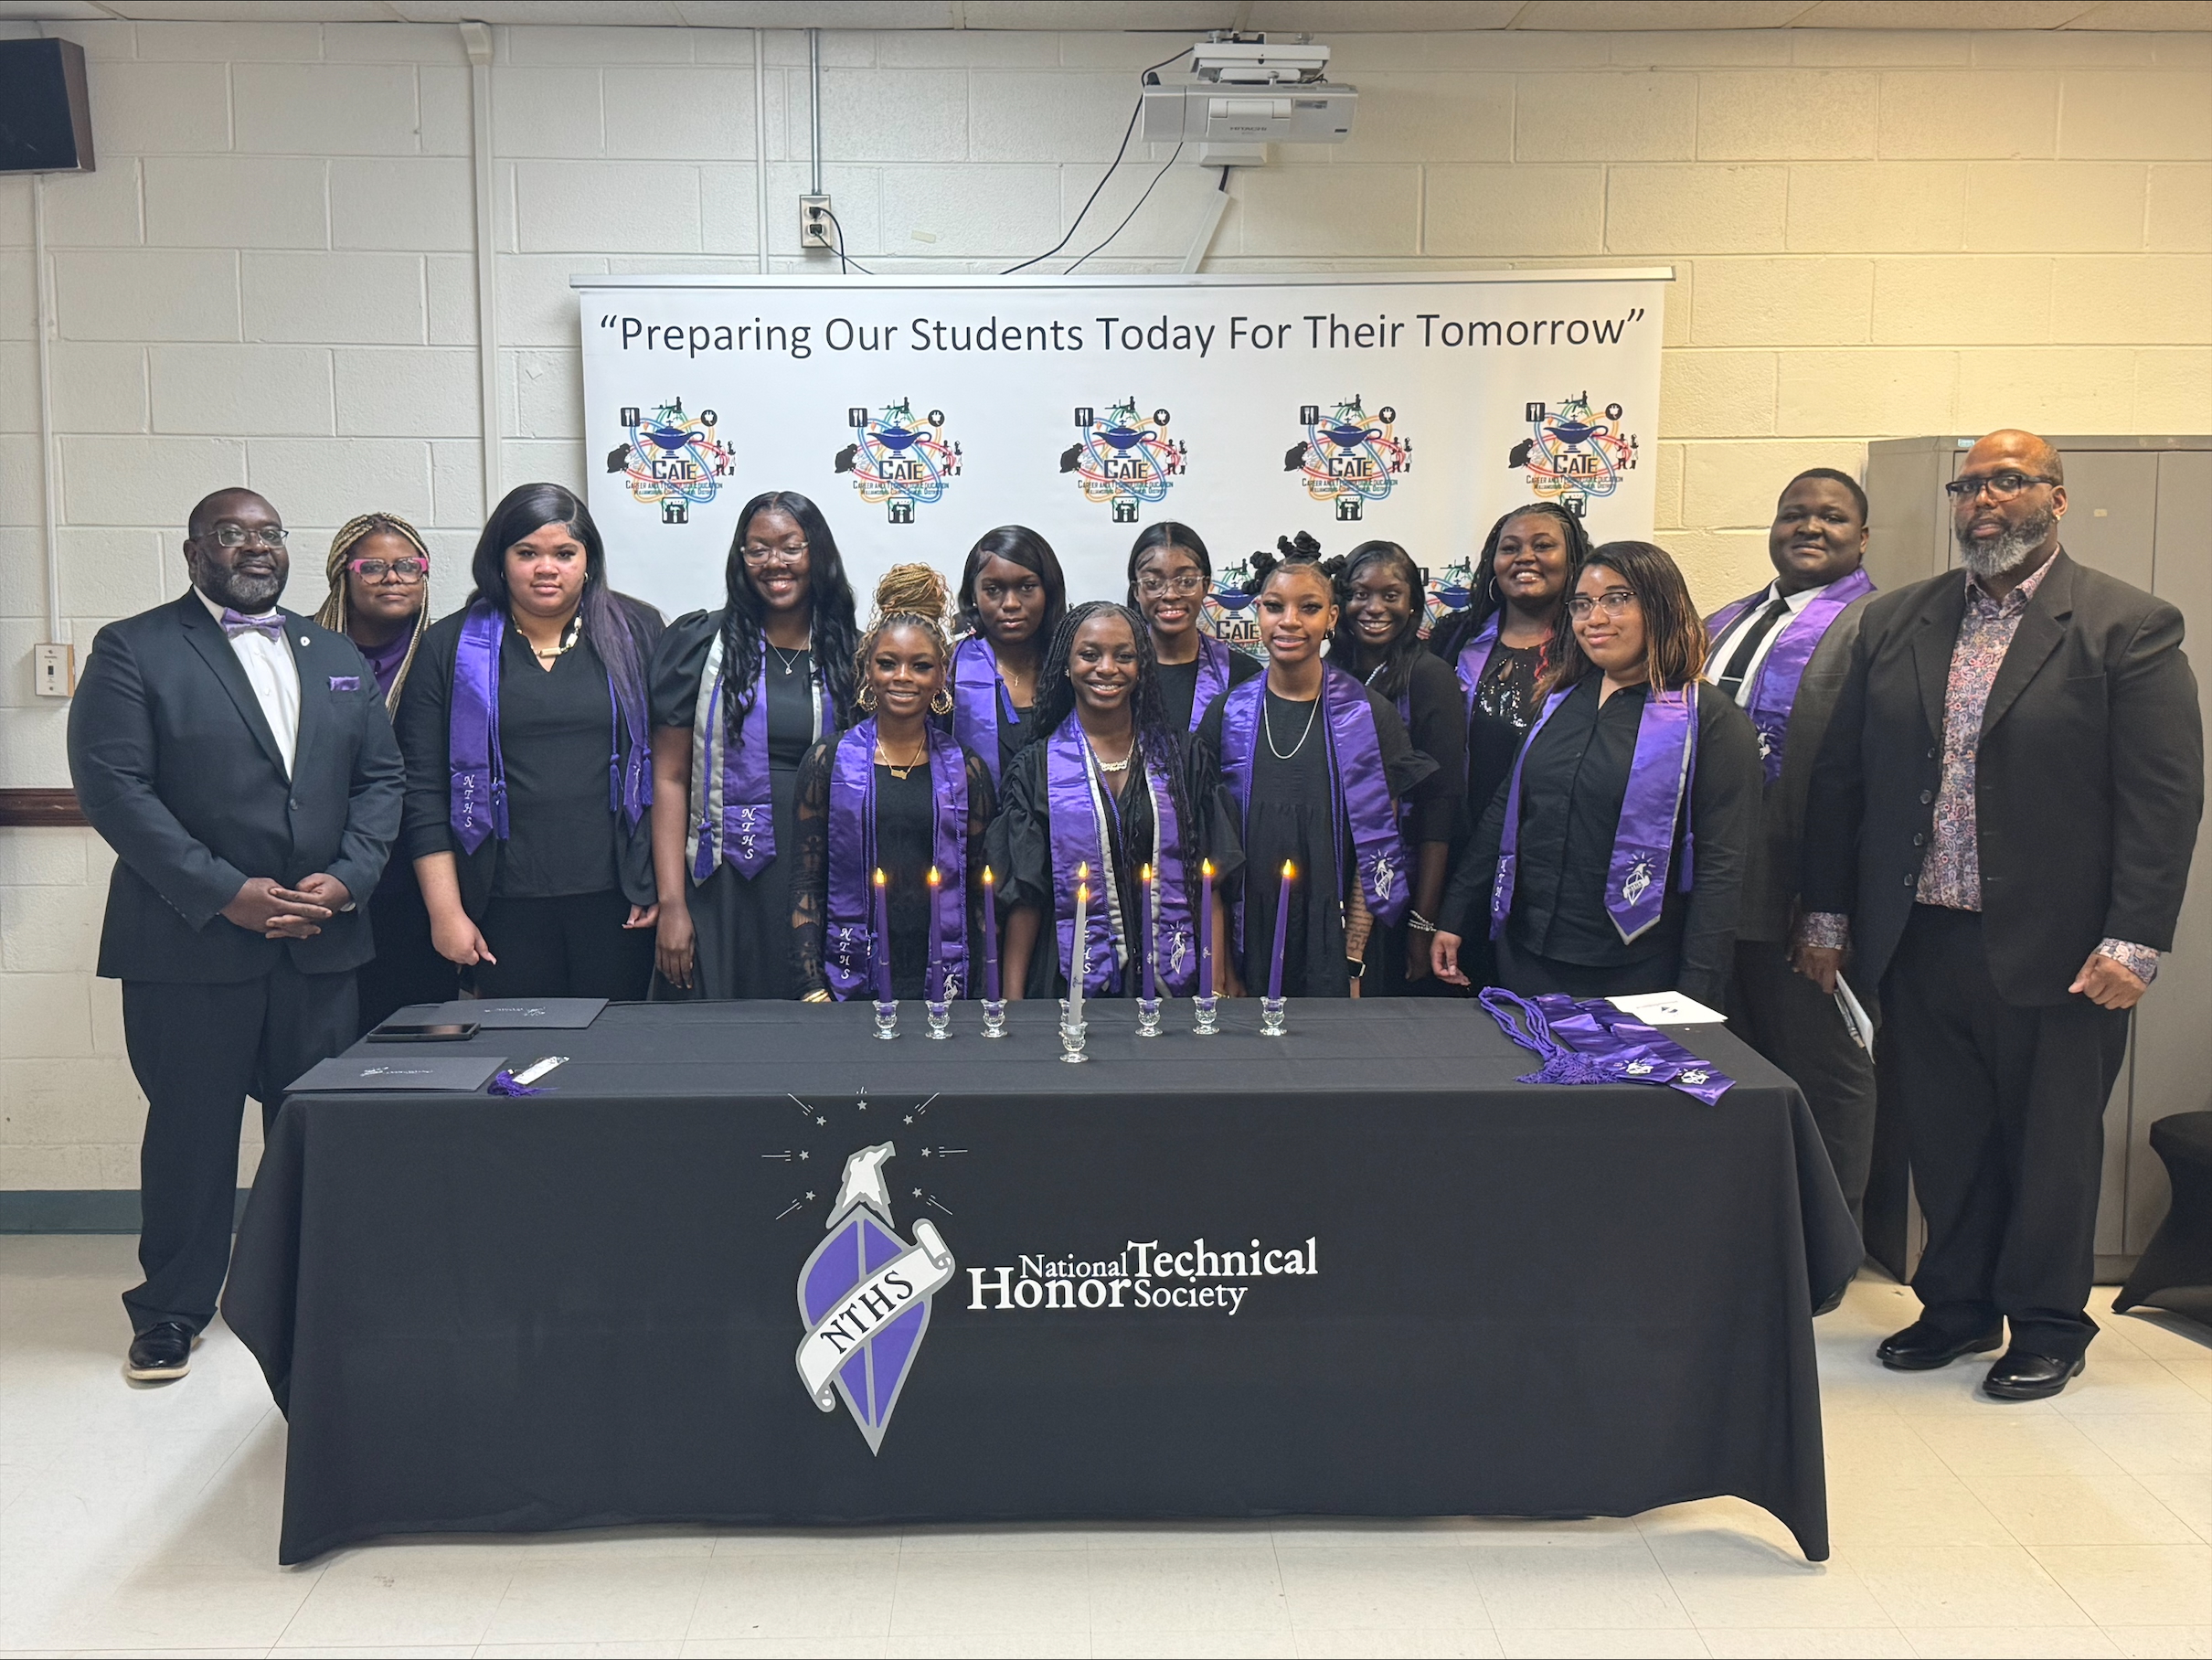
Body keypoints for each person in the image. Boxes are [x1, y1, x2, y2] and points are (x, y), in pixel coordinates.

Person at [1798, 430, 2203, 1400]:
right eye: (1968, 484)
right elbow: (1842, 780)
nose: (1983, 499)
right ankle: (1957, 1305)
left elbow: (2161, 796)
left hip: (2060, 948)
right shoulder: (1897, 622)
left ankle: (2050, 1324)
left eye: (2007, 481)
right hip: (1920, 933)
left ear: (2055, 499)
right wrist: (1824, 915)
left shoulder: (2125, 627)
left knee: (2050, 1144)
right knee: (1943, 1137)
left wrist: (2133, 939)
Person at [67, 488, 404, 1382]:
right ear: (192, 551)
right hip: (191, 946)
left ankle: (314, 1297)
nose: (254, 548)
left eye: (268, 534)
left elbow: (381, 781)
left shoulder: (332, 654)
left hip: (321, 941)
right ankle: (170, 1313)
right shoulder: (133, 649)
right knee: (192, 1134)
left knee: (314, 1130)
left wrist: (349, 877)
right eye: (232, 534)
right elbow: (116, 792)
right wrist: (227, 893)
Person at [1433, 541, 1760, 1012]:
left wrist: (1698, 994)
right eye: (1583, 604)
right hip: (1528, 955)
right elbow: (1507, 811)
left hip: (1637, 969)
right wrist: (1456, 915)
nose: (1594, 618)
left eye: (1617, 599)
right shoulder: (1559, 700)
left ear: (1660, 605)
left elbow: (1722, 872)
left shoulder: (1709, 721)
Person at [398, 484, 663, 1001]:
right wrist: (446, 912)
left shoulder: (639, 631)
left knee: (614, 1062)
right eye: (527, 553)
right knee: (522, 1067)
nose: (547, 568)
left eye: (564, 553)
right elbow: (424, 791)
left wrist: (662, 887)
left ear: (588, 561)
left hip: (620, 901)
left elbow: (675, 767)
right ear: (499, 560)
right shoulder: (448, 646)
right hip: (498, 901)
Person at [1707, 470, 1879, 1233]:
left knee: (1821, 1069)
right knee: (1734, 1064)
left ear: (1863, 537)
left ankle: (1830, 1239)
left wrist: (1830, 907)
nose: (1809, 527)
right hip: (1719, 887)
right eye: (1793, 514)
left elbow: (1874, 777)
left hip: (1806, 889)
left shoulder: (1879, 624)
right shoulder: (1726, 619)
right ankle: (1753, 1231)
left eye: (1832, 517)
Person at [1196, 544, 1430, 1000]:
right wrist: (1221, 964)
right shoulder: (1226, 715)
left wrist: (1355, 957)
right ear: (1257, 613)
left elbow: (1377, 850)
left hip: (1336, 937)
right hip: (1249, 934)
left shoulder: (1368, 715)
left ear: (1333, 618)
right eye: (1274, 606)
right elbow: (1211, 851)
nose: (1289, 621)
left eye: (1309, 608)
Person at [647, 491, 856, 1000]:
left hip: (820, 872)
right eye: (757, 549)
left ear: (817, 553)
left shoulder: (852, 650)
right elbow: (669, 775)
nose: (774, 563)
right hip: (722, 880)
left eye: (790, 547)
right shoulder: (700, 645)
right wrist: (673, 903)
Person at [792, 566, 994, 1003]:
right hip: (847, 978)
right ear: (868, 671)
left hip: (944, 979)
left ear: (941, 677)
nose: (903, 677)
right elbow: (806, 884)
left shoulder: (968, 770)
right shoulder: (827, 763)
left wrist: (980, 987)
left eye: (920, 666)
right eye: (888, 663)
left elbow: (979, 892)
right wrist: (811, 985)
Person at [993, 602, 1207, 1002]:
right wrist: (1013, 997)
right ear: (1066, 665)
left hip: (1172, 972)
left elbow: (1209, 877)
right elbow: (1026, 895)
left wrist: (1220, 979)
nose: (1107, 668)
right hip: (1065, 973)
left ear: (1141, 667)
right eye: (1089, 655)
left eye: (1124, 656)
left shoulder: (1181, 759)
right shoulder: (1036, 767)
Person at [1427, 504, 1586, 988]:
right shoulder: (1456, 636)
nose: (1525, 557)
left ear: (1573, 558)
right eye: (1510, 547)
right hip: (1458, 840)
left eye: (1543, 545)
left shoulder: (1589, 644)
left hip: (1545, 853)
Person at [311, 512, 455, 1033]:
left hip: (421, 870)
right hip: (325, 868)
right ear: (342, 575)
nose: (392, 578)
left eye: (407, 566)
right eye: (372, 567)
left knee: (418, 1032)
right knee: (330, 1033)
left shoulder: (453, 654)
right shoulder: (300, 651)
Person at [1335, 538, 1462, 995]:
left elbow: (1440, 809)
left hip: (1401, 886)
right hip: (1337, 885)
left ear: (1413, 606)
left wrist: (1422, 922)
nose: (1373, 607)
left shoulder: (1430, 678)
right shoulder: (1327, 673)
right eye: (1360, 594)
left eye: (1391, 595)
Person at [946, 525, 1065, 785]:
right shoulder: (949, 670)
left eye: (1027, 587)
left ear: (1049, 590)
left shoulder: (1071, 670)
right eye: (993, 590)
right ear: (973, 596)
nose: (1010, 603)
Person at [1126, 520, 1258, 733]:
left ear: (1205, 586)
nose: (1170, 594)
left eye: (1186, 581)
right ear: (1136, 591)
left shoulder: (1242, 673)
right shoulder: (1116, 672)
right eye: (1152, 583)